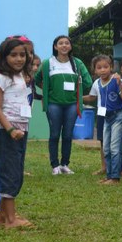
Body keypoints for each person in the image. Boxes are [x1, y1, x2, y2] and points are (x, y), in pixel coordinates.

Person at [0, 36, 34, 228]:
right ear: (4, 57)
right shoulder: (0, 78)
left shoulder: (20, 77)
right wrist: (10, 129)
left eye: (22, 55)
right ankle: (11, 220)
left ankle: (2, 216)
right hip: (9, 131)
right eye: (13, 55)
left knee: (16, 171)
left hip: (21, 129)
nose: (19, 59)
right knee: (10, 173)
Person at [34, 35, 93, 175]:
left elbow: (88, 82)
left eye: (67, 43)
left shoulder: (77, 63)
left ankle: (64, 164)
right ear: (55, 47)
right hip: (53, 104)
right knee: (54, 134)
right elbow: (37, 79)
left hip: (72, 104)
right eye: (61, 43)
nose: (64, 45)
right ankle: (54, 165)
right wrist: (48, 90)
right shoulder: (48, 63)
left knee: (67, 135)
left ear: (70, 46)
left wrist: (76, 91)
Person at [85, 55, 122, 184]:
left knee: (115, 147)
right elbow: (92, 97)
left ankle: (115, 177)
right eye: (99, 68)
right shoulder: (97, 82)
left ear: (111, 67)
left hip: (118, 116)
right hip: (105, 117)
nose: (103, 70)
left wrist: (120, 84)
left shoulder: (115, 81)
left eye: (106, 67)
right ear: (95, 70)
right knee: (106, 147)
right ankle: (109, 175)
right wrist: (77, 97)